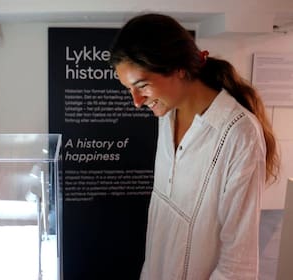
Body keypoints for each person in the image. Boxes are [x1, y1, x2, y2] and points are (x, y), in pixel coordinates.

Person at [109, 13, 280, 280]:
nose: (137, 101)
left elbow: (238, 263)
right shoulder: (166, 118)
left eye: (142, 85)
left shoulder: (239, 134)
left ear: (178, 68)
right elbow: (161, 226)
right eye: (129, 89)